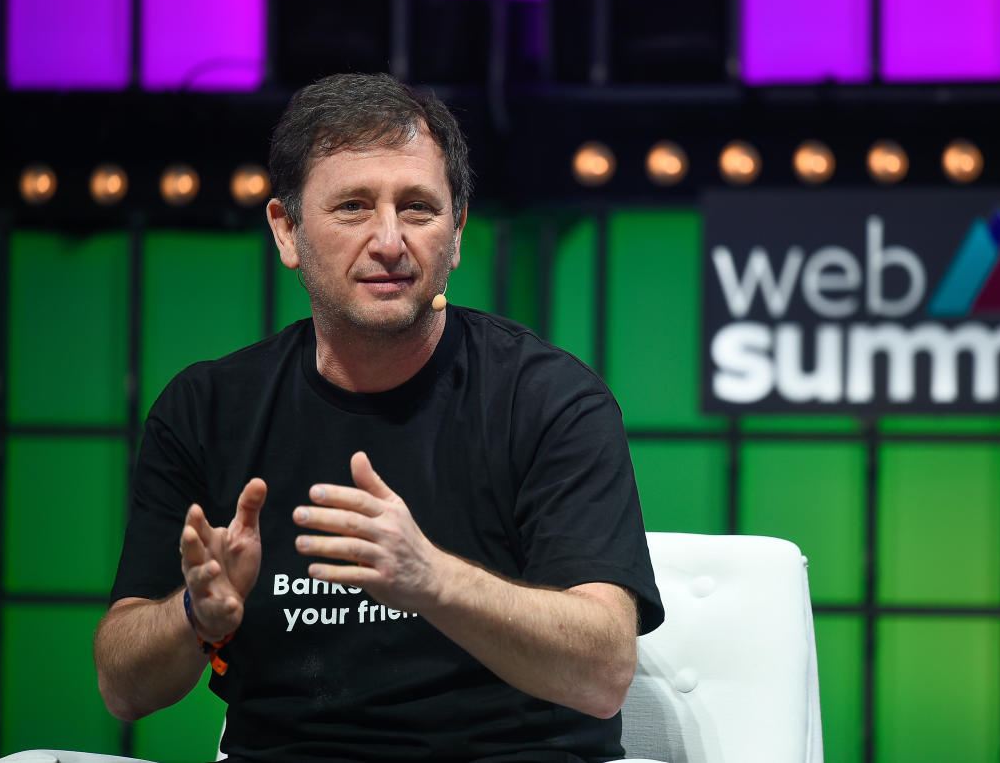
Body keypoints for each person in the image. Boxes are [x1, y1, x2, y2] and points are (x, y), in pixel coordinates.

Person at [93, 73, 663, 763]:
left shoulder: (548, 399)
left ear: (456, 234)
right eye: (355, 206)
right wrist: (192, 615)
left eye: (418, 208)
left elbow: (604, 671)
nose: (390, 240)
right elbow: (122, 686)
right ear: (287, 230)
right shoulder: (209, 409)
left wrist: (431, 578)